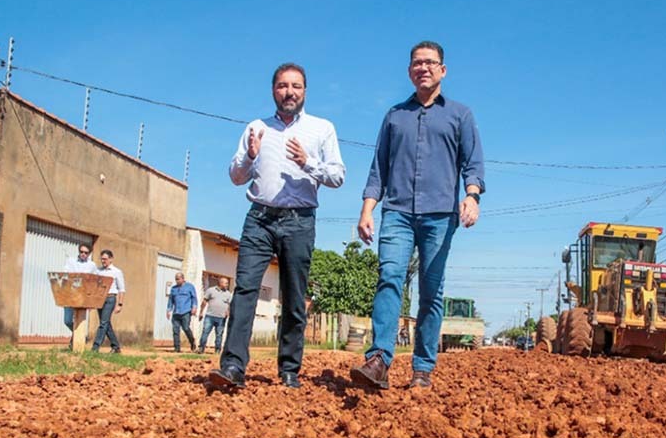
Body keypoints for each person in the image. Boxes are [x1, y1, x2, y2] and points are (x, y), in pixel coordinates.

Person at [350, 40, 485, 389]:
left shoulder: (460, 115)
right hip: (396, 212)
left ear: (443, 70)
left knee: (430, 290)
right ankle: (379, 358)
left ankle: (422, 367)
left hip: (440, 215)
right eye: (417, 63)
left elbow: (473, 164)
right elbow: (378, 168)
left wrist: (472, 197)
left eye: (430, 62)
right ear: (409, 70)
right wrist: (367, 209)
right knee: (389, 277)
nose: (423, 68)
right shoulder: (395, 116)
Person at [208, 63, 345, 390]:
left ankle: (289, 370)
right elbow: (235, 176)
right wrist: (250, 157)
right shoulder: (256, 128)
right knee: (245, 291)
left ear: (305, 92)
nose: (289, 92)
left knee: (295, 297)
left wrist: (306, 162)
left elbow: (338, 176)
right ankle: (233, 367)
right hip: (260, 219)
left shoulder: (321, 129)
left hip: (300, 221)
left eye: (296, 86)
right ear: (274, 90)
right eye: (283, 86)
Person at [92, 249, 125, 354]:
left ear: (111, 259)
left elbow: (122, 289)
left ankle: (95, 347)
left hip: (110, 299)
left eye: (105, 259)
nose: (103, 261)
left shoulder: (116, 272)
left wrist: (120, 304)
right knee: (106, 323)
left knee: (103, 323)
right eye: (102, 259)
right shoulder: (98, 271)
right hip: (100, 298)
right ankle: (116, 346)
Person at [63, 243, 97, 332]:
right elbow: (65, 274)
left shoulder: (92, 265)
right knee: (67, 320)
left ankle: (77, 342)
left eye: (86, 253)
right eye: (81, 252)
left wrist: (91, 301)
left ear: (89, 254)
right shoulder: (71, 261)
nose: (83, 254)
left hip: (83, 296)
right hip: (70, 293)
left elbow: (93, 282)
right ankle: (76, 336)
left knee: (80, 321)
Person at [198, 277, 232, 354]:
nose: (227, 284)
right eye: (225, 283)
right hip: (210, 316)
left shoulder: (228, 294)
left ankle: (217, 350)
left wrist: (228, 311)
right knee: (205, 332)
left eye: (227, 283)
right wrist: (201, 312)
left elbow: (230, 305)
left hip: (221, 318)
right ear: (220, 283)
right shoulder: (211, 290)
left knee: (219, 335)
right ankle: (201, 348)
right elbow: (204, 301)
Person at [167, 272, 198, 353]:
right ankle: (177, 348)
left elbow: (194, 298)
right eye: (176, 279)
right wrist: (168, 310)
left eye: (178, 279)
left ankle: (192, 342)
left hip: (186, 311)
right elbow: (171, 300)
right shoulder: (173, 289)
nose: (177, 281)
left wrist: (194, 307)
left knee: (186, 328)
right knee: (175, 330)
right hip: (176, 312)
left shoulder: (190, 287)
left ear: (183, 279)